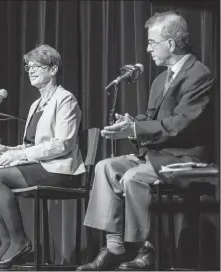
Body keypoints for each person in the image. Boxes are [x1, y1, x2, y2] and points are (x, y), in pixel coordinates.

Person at [77, 11, 214, 271]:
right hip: (156, 155)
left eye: (152, 42)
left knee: (133, 177)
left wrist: (136, 128)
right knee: (106, 167)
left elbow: (180, 124)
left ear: (170, 44)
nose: (148, 49)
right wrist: (131, 123)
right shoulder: (160, 79)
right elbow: (153, 119)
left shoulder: (199, 75)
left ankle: (145, 249)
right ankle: (115, 246)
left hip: (183, 157)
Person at [0, 44, 85, 268]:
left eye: (37, 66)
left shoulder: (66, 99)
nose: (31, 71)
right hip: (40, 165)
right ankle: (7, 242)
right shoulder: (36, 104)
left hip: (60, 169)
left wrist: (21, 154)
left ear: (53, 70)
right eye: (28, 67)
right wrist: (7, 150)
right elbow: (31, 145)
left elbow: (62, 144)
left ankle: (21, 242)